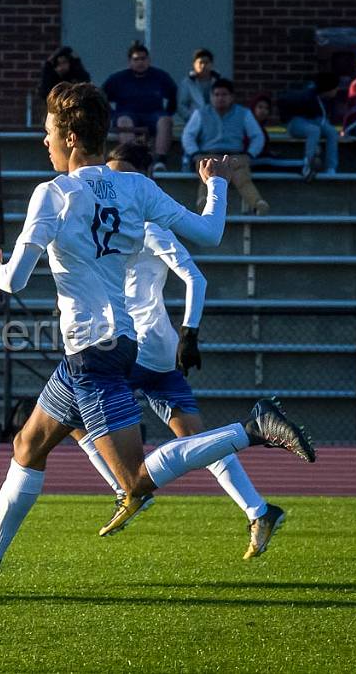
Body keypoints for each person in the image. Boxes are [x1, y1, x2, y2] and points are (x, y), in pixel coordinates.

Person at [0, 81, 314, 595]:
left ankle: (253, 427)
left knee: (134, 482)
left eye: (47, 132)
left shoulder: (54, 193)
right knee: (28, 443)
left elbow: (15, 280)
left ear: (68, 134)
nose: (45, 142)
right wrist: (216, 185)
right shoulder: (133, 187)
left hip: (92, 353)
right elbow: (209, 234)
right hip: (113, 346)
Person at [96, 143, 285, 559]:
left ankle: (127, 490)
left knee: (75, 403)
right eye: (111, 175)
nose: (115, 183)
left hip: (138, 347)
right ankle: (259, 509)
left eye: (125, 174)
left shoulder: (147, 226)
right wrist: (185, 337)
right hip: (159, 350)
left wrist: (191, 334)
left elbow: (195, 279)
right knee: (199, 441)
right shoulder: (124, 220)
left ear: (147, 179)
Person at [181, 78, 269, 215]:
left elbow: (257, 135)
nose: (220, 98)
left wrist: (250, 155)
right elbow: (188, 135)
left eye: (224, 95)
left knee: (242, 177)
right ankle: (203, 202)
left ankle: (258, 204)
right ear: (211, 97)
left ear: (232, 97)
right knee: (208, 175)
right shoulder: (200, 113)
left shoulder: (244, 113)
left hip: (235, 156)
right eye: (216, 95)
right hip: (208, 154)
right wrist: (195, 153)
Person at [102, 42, 178, 170]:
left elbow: (173, 94)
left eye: (143, 59)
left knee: (165, 120)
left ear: (148, 60)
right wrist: (112, 114)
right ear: (130, 61)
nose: (140, 62)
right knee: (123, 120)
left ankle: (160, 160)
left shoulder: (160, 76)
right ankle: (131, 159)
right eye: (136, 59)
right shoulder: (118, 78)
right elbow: (102, 96)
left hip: (154, 114)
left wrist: (168, 112)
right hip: (127, 114)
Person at [281, 72, 341, 178]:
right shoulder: (310, 96)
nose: (337, 90)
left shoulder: (325, 99)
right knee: (314, 130)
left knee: (332, 132)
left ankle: (331, 168)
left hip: (310, 120)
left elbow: (322, 120)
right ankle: (308, 164)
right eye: (335, 88)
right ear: (328, 89)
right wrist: (316, 146)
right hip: (295, 122)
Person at [248, 93, 305, 172]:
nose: (263, 111)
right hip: (247, 162)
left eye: (266, 108)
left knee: (275, 158)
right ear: (253, 108)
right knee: (268, 161)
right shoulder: (247, 126)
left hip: (259, 159)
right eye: (260, 107)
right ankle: (303, 165)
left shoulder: (261, 129)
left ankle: (303, 164)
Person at [177, 48, 220, 123]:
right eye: (200, 63)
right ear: (194, 64)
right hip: (195, 122)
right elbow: (181, 105)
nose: (203, 66)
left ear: (211, 64)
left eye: (206, 63)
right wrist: (191, 118)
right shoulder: (187, 83)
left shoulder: (219, 82)